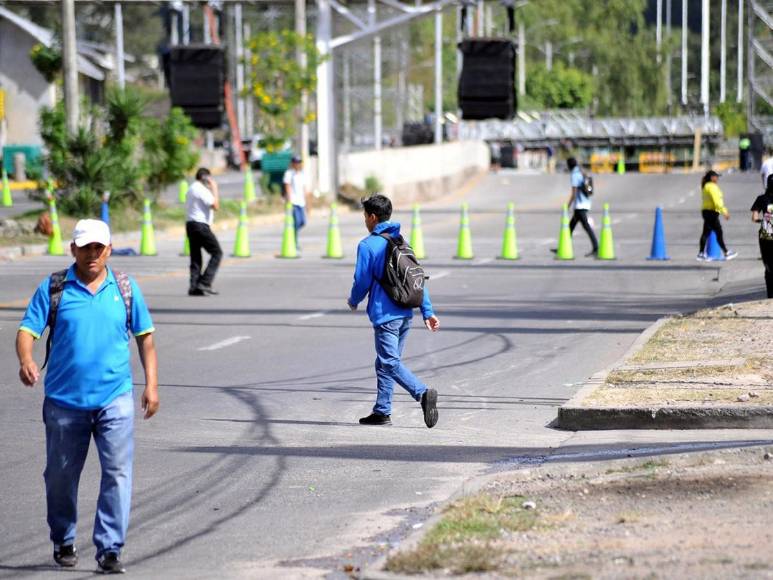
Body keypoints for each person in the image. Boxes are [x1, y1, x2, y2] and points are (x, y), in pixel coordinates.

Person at [15, 219, 158, 574]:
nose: (92, 254)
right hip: (65, 403)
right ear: (73, 250)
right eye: (85, 247)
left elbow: (145, 338)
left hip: (115, 399)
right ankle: (63, 538)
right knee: (61, 476)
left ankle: (110, 548)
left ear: (109, 250)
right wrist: (26, 359)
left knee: (118, 474)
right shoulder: (55, 288)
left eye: (98, 247)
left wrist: (151, 385)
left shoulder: (124, 287)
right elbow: (27, 330)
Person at [347, 194, 440, 428]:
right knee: (385, 362)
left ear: (372, 217)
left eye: (365, 216)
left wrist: (354, 299)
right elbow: (416, 277)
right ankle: (382, 411)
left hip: (386, 315)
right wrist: (427, 311)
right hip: (406, 312)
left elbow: (361, 280)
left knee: (388, 362)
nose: (364, 221)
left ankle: (422, 393)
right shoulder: (400, 241)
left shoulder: (368, 245)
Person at [186, 167, 222, 296]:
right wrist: (215, 189)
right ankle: (205, 282)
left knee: (196, 257)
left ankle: (194, 286)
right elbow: (215, 206)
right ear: (206, 178)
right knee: (217, 253)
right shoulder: (201, 189)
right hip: (200, 225)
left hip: (190, 224)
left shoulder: (191, 188)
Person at [698, 170, 738, 261]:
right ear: (712, 177)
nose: (717, 178)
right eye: (716, 176)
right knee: (718, 232)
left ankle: (701, 253)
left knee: (706, 232)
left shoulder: (706, 186)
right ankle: (726, 252)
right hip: (711, 212)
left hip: (707, 212)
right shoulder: (712, 187)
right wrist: (724, 212)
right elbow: (717, 202)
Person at [566, 157, 599, 257]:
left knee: (586, 227)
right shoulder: (581, 172)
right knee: (570, 226)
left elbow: (574, 192)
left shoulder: (575, 175)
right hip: (585, 203)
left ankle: (596, 247)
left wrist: (568, 205)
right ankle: (563, 246)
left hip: (580, 205)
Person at [751, 174, 773, 297]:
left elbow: (754, 218)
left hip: (766, 236)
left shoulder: (761, 199)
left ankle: (770, 295)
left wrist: (763, 221)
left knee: (768, 264)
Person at [283, 155, 310, 251]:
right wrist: (289, 200)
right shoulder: (289, 173)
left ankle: (293, 236)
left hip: (301, 202)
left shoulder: (302, 174)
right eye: (296, 162)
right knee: (296, 222)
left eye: (299, 162)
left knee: (302, 222)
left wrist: (308, 204)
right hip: (293, 202)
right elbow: (287, 187)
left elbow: (305, 190)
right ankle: (294, 242)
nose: (298, 164)